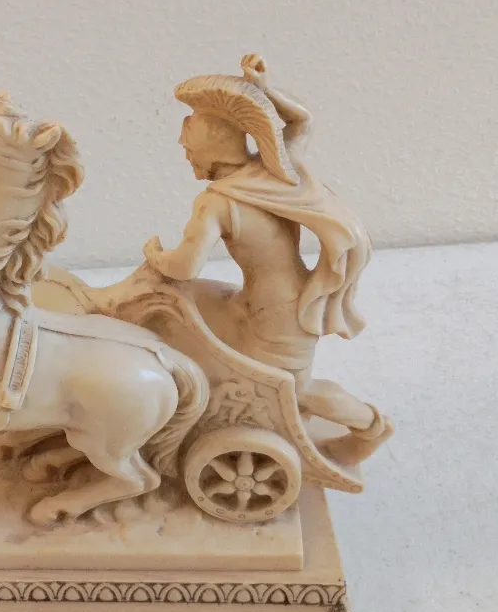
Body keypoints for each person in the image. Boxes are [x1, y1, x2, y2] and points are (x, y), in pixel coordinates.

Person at [143, 55, 391, 462]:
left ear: (211, 149)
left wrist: (155, 255)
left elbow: (185, 267)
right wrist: (265, 89)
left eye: (189, 150)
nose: (188, 158)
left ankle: (371, 428)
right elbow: (302, 122)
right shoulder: (274, 171)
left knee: (297, 389)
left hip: (279, 315)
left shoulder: (216, 203)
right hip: (263, 301)